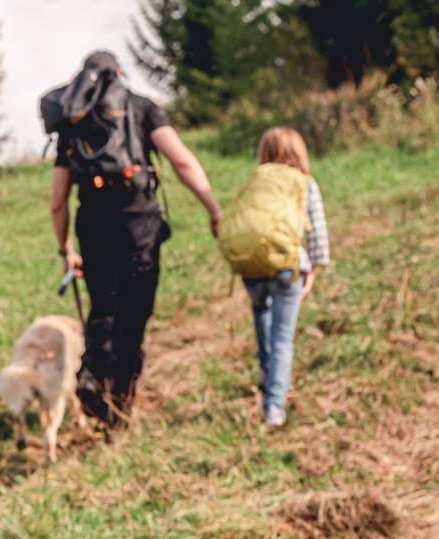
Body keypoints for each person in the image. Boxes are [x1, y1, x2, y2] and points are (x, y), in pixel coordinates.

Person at [49, 50, 224, 428]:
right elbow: (181, 161)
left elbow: (57, 202)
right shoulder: (142, 107)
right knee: (133, 315)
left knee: (103, 308)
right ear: (120, 73)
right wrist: (213, 208)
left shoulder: (73, 122)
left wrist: (66, 249)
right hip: (139, 224)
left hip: (92, 224)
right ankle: (119, 407)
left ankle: (93, 376)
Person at [244, 126, 332, 429]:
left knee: (261, 313)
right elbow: (317, 233)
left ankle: (266, 373)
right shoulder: (304, 183)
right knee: (283, 337)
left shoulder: (256, 182)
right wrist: (314, 270)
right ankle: (274, 408)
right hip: (287, 268)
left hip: (253, 267)